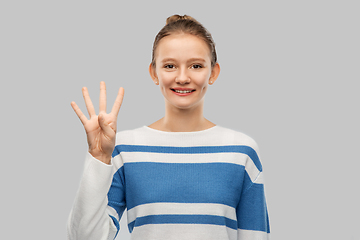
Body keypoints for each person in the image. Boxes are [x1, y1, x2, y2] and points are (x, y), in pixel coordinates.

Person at [67, 14, 270, 240]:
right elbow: (84, 238)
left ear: (213, 72)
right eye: (170, 65)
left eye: (196, 65)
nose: (182, 77)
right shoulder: (125, 149)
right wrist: (98, 157)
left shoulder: (241, 151)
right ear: (154, 72)